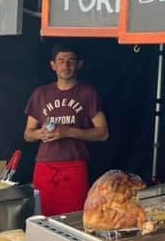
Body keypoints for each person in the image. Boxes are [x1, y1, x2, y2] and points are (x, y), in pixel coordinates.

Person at [24, 44, 109, 216]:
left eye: (71, 61)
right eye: (61, 61)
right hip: (44, 165)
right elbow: (27, 134)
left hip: (75, 165)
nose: (66, 65)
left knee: (74, 218)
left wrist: (67, 132)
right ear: (53, 65)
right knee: (42, 218)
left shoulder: (87, 92)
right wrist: (39, 134)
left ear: (79, 64)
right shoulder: (41, 93)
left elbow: (103, 133)